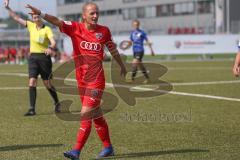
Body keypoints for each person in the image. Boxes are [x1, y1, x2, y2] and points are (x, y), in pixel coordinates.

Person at [25, 2, 127, 160]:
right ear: (84, 15)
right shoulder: (75, 28)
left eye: (96, 13)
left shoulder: (104, 31)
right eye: (92, 13)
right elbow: (56, 21)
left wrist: (121, 65)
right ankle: (108, 147)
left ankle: (76, 151)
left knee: (85, 114)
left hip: (96, 80)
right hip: (81, 81)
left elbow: (112, 48)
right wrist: (40, 12)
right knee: (96, 116)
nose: (95, 16)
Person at [4, 0, 60, 116]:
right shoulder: (30, 25)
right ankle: (32, 109)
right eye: (33, 17)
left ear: (40, 17)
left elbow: (53, 42)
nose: (35, 18)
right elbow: (16, 18)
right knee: (32, 81)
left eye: (36, 16)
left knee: (47, 83)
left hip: (44, 58)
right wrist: (8, 8)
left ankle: (57, 102)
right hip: (33, 57)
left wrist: (50, 47)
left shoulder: (47, 29)